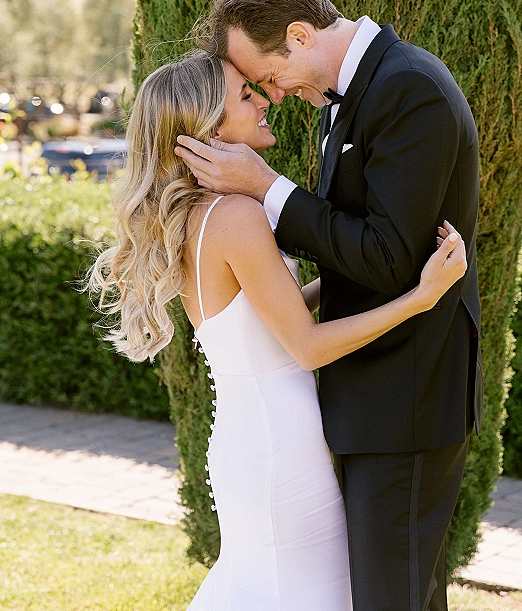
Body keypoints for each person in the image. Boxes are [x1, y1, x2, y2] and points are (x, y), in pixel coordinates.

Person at [88, 49, 468, 610]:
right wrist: (420, 298)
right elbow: (307, 346)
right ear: (209, 130)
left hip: (256, 435)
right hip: (278, 444)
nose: (264, 100)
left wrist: (380, 280)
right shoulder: (234, 217)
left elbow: (277, 313)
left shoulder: (204, 213)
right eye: (246, 96)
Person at [176, 0, 482, 611]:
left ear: (299, 35)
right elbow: (351, 256)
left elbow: (388, 257)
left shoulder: (408, 90)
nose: (274, 95)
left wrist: (268, 188)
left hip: (408, 403)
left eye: (267, 76)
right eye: (255, 88)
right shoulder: (349, 97)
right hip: (370, 405)